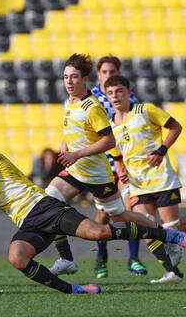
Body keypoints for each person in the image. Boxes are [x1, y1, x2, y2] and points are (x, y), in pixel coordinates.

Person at [0, 143, 186, 295]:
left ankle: (169, 235)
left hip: (44, 208)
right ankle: (74, 289)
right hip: (28, 223)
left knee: (99, 233)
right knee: (17, 258)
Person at [43, 53, 173, 278]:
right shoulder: (69, 102)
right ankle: (66, 258)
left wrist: (79, 154)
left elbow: (110, 140)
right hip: (76, 169)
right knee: (47, 202)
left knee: (120, 215)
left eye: (74, 77)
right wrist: (66, 146)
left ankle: (163, 235)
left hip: (97, 173)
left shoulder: (93, 107)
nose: (69, 82)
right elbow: (75, 130)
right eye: (66, 77)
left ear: (85, 79)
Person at [105, 75, 186, 283]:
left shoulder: (145, 110)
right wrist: (121, 170)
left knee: (172, 229)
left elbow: (176, 126)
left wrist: (161, 149)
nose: (115, 96)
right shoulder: (110, 127)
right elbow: (117, 157)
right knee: (147, 229)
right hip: (138, 185)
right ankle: (172, 273)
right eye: (111, 92)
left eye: (119, 91)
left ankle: (174, 250)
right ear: (106, 96)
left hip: (162, 179)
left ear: (129, 92)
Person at [90, 56, 146, 278]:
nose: (108, 75)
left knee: (128, 210)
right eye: (104, 72)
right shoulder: (91, 98)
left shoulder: (128, 96)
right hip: (101, 165)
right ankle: (101, 258)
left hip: (124, 164)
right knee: (103, 215)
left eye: (112, 71)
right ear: (98, 75)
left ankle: (133, 259)